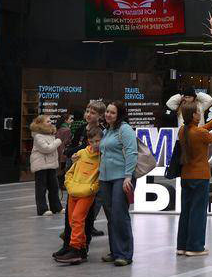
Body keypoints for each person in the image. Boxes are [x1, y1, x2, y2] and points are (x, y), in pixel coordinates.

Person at [176, 101, 212, 256]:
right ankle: (195, 247)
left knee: (186, 211)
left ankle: (182, 246)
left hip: (186, 175)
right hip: (200, 177)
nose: (200, 114)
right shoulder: (198, 133)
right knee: (198, 213)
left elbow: (202, 130)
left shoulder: (183, 130)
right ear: (193, 115)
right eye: (198, 112)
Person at [55, 126, 103, 264]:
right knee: (72, 220)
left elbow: (101, 175)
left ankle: (75, 248)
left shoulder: (102, 156)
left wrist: (92, 188)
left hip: (86, 193)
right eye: (92, 141)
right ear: (88, 141)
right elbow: (72, 170)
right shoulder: (81, 153)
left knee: (77, 218)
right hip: (74, 190)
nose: (95, 144)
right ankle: (81, 249)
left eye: (98, 141)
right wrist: (69, 183)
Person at [99, 101, 137, 266]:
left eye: (112, 112)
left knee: (119, 214)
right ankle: (115, 251)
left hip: (121, 177)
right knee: (110, 216)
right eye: (107, 111)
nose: (108, 114)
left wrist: (128, 176)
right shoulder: (106, 130)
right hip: (105, 178)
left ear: (119, 114)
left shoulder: (125, 129)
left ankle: (124, 254)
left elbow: (131, 152)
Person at [30, 115, 64, 216]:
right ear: (40, 124)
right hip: (41, 165)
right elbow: (46, 149)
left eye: (50, 121)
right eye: (48, 121)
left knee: (54, 187)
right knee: (41, 188)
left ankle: (56, 207)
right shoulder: (37, 136)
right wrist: (58, 141)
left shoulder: (51, 134)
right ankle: (42, 209)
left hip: (51, 164)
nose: (50, 123)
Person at [55, 115, 73, 192]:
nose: (72, 121)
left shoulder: (59, 128)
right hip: (63, 150)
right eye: (70, 119)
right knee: (64, 168)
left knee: (60, 167)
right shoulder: (67, 130)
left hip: (57, 150)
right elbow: (67, 142)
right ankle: (62, 184)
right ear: (66, 120)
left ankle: (59, 183)